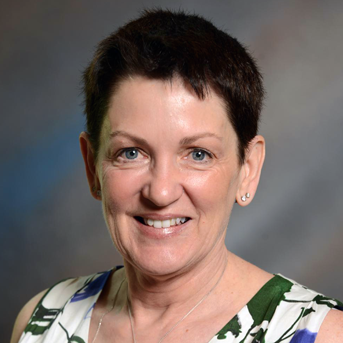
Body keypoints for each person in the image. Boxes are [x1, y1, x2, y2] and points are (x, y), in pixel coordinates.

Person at [11, 9, 343, 343]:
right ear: (91, 165)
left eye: (198, 154)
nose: (161, 192)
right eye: (131, 153)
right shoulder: (41, 322)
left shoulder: (322, 334)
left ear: (248, 168)